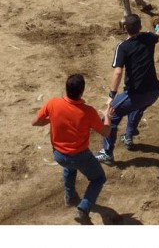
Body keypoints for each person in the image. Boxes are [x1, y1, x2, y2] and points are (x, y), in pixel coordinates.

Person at [32, 74, 112, 224]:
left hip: (59, 155)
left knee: (69, 166)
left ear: (66, 89)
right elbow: (106, 132)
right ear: (82, 92)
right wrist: (107, 116)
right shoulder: (88, 111)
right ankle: (83, 209)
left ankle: (70, 197)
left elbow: (35, 122)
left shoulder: (53, 103)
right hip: (80, 156)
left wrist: (54, 119)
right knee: (98, 178)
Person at [95, 14, 159, 166]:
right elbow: (158, 35)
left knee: (111, 117)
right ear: (140, 27)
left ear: (125, 28)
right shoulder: (148, 38)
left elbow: (118, 72)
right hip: (154, 92)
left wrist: (111, 95)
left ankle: (107, 154)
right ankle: (129, 136)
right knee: (137, 109)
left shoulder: (123, 47)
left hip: (135, 94)